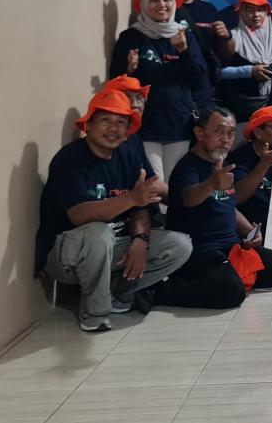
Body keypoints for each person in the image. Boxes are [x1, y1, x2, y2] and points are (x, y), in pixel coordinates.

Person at [36, 90, 192, 332]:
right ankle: (94, 314)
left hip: (112, 245)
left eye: (121, 122)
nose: (113, 128)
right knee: (98, 234)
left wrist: (140, 240)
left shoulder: (129, 156)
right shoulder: (69, 158)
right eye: (105, 120)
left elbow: (142, 206)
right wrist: (130, 198)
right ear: (88, 125)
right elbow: (79, 215)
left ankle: (119, 293)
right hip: (64, 254)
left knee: (179, 245)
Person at [166, 107, 272, 304]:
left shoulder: (222, 162)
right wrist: (211, 184)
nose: (225, 139)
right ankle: (161, 291)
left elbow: (228, 205)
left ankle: (228, 276)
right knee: (231, 291)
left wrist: (249, 231)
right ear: (199, 133)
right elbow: (189, 198)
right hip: (201, 249)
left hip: (230, 245)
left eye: (231, 133)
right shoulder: (188, 166)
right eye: (219, 132)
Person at [110, 0, 208, 182]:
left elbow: (199, 79)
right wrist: (129, 70)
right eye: (154, 0)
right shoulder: (131, 37)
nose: (161, 4)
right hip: (145, 125)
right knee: (154, 183)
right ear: (144, 4)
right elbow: (115, 82)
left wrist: (183, 50)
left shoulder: (183, 35)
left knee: (175, 184)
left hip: (178, 123)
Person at [162, 0, 231, 116]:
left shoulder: (208, 9)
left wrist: (226, 37)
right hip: (175, 92)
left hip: (206, 92)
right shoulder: (164, 11)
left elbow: (225, 56)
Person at [216, 0, 272, 124]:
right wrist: (249, 71)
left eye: (260, 10)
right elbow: (218, 72)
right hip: (240, 109)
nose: (256, 15)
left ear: (267, 12)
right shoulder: (232, 38)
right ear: (242, 13)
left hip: (271, 106)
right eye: (250, 10)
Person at [228, 105, 272, 228]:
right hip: (255, 224)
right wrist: (264, 164)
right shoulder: (240, 157)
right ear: (258, 133)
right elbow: (237, 197)